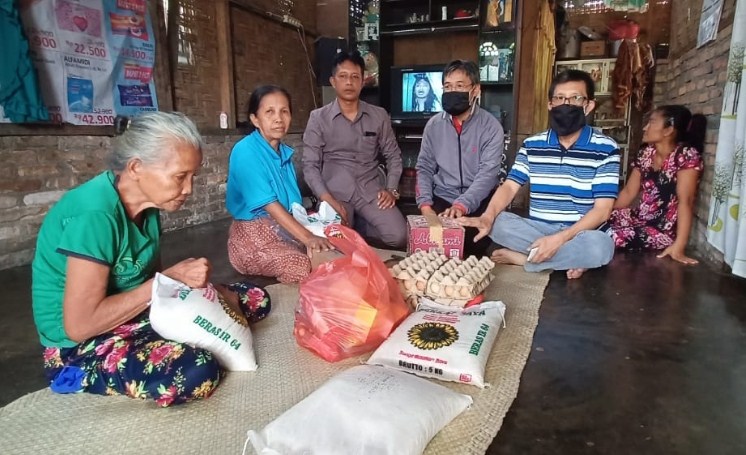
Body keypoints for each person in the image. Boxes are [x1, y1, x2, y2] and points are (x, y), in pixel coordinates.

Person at [31, 112, 270, 407]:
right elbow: (79, 326)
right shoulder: (94, 216)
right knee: (197, 370)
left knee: (253, 297)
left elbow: (153, 290)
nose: (188, 189)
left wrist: (206, 294)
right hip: (78, 347)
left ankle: (157, 342)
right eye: (180, 176)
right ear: (136, 168)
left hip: (130, 317)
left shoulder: (149, 207)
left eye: (192, 176)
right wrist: (170, 280)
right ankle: (77, 374)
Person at [459, 69, 620, 279]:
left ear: (588, 106)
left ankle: (527, 261)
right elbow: (509, 186)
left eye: (575, 98)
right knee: (498, 224)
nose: (566, 104)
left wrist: (560, 239)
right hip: (537, 230)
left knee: (602, 246)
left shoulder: (606, 148)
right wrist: (487, 217)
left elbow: (602, 210)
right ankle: (567, 260)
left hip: (580, 233)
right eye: (560, 98)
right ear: (550, 105)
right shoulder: (533, 145)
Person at [226, 85, 333, 283]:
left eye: (284, 111)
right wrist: (308, 238)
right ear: (255, 119)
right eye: (270, 112)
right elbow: (271, 206)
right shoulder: (245, 152)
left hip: (283, 229)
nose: (278, 118)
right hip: (252, 238)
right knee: (302, 266)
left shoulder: (284, 154)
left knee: (332, 247)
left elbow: (292, 206)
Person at [303, 51, 407, 248]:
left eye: (355, 77)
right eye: (343, 76)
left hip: (370, 191)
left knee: (399, 236)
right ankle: (356, 225)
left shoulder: (379, 116)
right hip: (335, 193)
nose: (349, 82)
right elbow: (310, 166)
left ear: (363, 81)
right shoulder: (318, 118)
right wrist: (326, 199)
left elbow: (393, 155)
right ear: (333, 82)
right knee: (336, 243)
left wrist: (391, 189)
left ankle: (363, 223)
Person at [415, 59, 504, 257]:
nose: (452, 91)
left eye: (460, 86)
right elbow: (424, 167)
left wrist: (462, 205)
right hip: (442, 198)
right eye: (448, 86)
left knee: (470, 250)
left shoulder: (491, 127)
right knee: (432, 250)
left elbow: (487, 175)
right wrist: (426, 206)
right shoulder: (434, 125)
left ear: (476, 90)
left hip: (478, 201)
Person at [610, 105, 705, 265]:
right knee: (592, 221)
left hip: (661, 230)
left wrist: (679, 246)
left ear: (668, 130)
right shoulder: (647, 153)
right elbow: (628, 192)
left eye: (652, 122)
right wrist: (603, 213)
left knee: (607, 235)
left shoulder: (686, 156)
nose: (646, 127)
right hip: (639, 218)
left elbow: (686, 202)